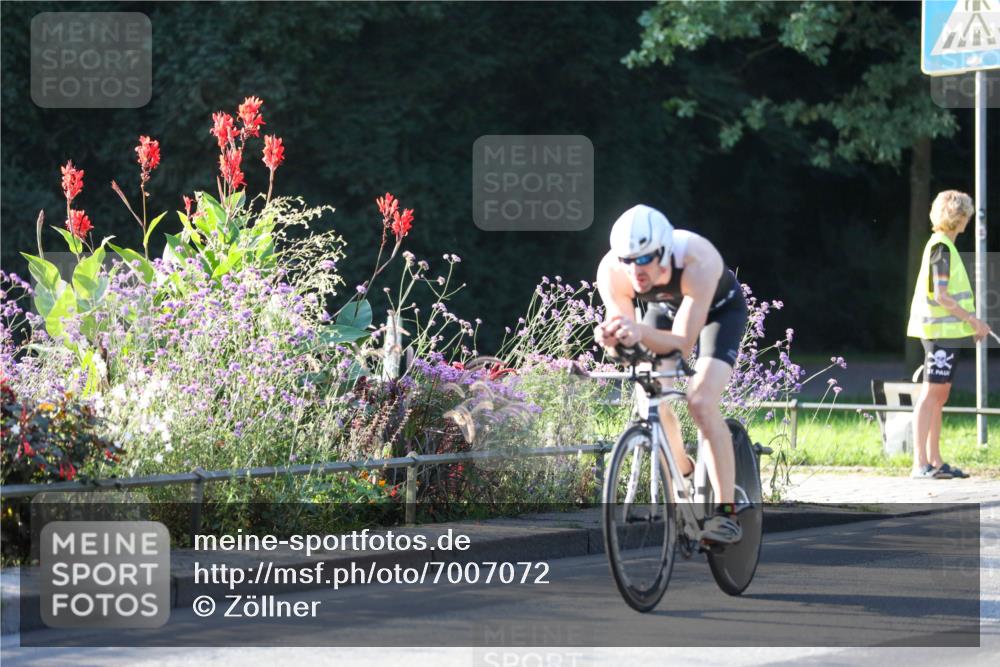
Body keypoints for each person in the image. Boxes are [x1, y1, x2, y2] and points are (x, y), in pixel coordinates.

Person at [593, 204, 749, 544]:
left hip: (718, 314)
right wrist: (612, 341)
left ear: (664, 251)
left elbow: (680, 344)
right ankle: (684, 471)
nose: (635, 270)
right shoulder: (612, 271)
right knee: (648, 394)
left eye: (644, 259)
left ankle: (726, 513)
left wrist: (636, 331)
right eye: (627, 260)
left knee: (701, 401)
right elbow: (626, 342)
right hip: (664, 312)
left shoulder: (697, 259)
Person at [906, 190, 991, 480]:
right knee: (931, 395)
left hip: (947, 334)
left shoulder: (944, 247)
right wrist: (973, 320)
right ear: (960, 217)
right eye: (967, 213)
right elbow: (941, 296)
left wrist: (970, 325)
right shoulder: (941, 248)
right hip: (938, 334)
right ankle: (920, 464)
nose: (968, 218)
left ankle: (936, 461)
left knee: (939, 396)